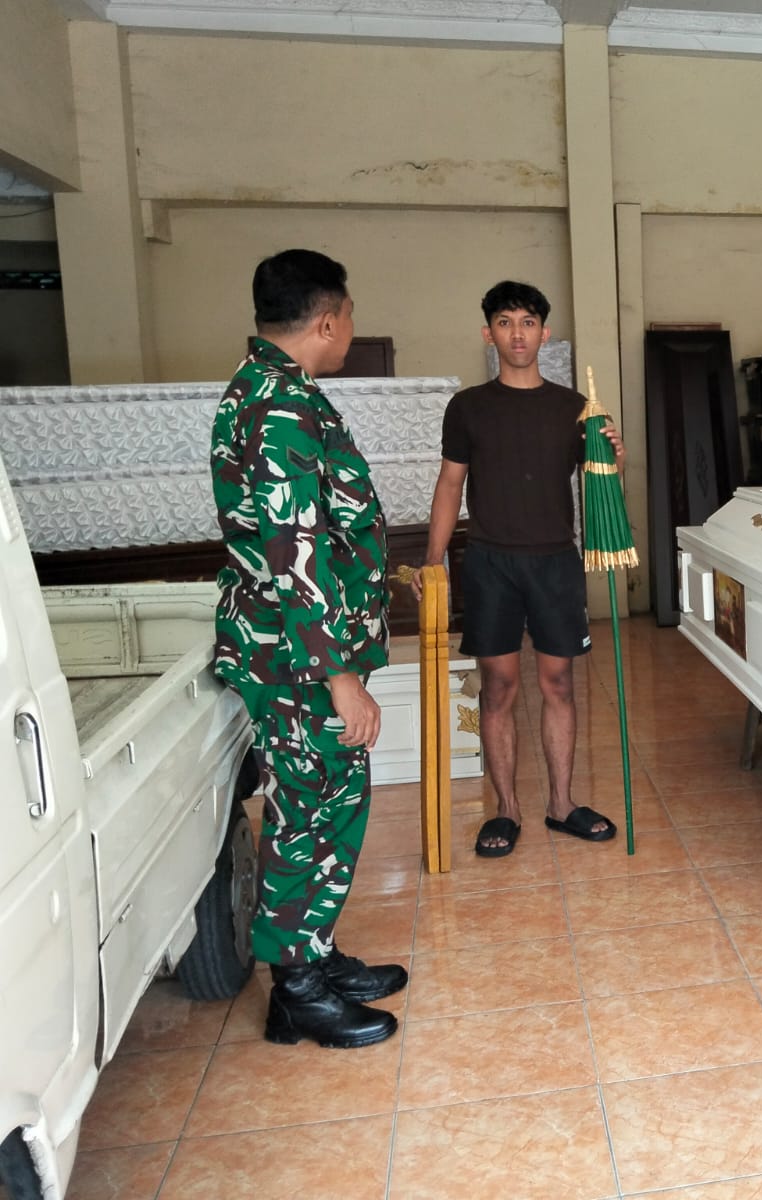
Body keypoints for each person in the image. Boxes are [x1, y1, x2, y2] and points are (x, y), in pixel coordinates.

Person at [211, 249, 408, 1049]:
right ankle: (296, 991)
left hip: (298, 653)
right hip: (297, 661)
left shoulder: (272, 389)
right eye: (349, 315)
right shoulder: (282, 407)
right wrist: (339, 676)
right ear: (326, 320)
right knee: (309, 810)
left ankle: (313, 955)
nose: (351, 329)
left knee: (328, 801)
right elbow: (295, 550)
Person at [417, 281, 624, 857]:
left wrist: (614, 455)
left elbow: (604, 486)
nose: (517, 333)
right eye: (505, 322)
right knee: (499, 687)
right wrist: (434, 561)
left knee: (559, 683)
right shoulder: (468, 407)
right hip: (490, 563)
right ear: (489, 334)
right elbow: (450, 484)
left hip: (555, 562)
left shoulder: (575, 409)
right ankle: (506, 809)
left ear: (544, 333)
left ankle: (561, 804)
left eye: (528, 322)